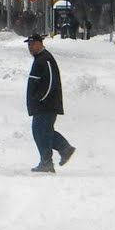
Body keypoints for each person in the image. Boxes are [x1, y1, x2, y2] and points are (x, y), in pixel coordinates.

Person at [26, 33, 74, 174]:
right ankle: (64, 149)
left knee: (42, 132)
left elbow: (50, 83)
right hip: (41, 105)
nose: (30, 47)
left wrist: (40, 99)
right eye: (29, 45)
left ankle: (48, 162)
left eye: (33, 44)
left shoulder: (45, 59)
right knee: (42, 132)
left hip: (46, 105)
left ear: (40, 44)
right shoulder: (39, 59)